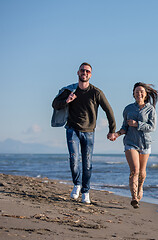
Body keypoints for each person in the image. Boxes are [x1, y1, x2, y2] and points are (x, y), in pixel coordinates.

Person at [52, 62, 117, 204]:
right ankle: (77, 185)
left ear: (91, 75)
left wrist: (112, 130)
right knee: (74, 159)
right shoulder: (70, 90)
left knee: (87, 163)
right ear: (78, 73)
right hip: (72, 129)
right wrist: (67, 100)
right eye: (82, 70)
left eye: (87, 71)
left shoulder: (96, 92)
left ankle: (86, 192)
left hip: (89, 132)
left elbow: (109, 111)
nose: (85, 73)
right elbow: (55, 103)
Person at [115, 82, 158, 208]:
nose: (139, 93)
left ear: (145, 95)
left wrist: (137, 124)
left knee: (142, 171)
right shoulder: (128, 109)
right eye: (137, 91)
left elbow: (152, 127)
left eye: (141, 92)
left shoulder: (150, 109)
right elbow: (124, 127)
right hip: (130, 142)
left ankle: (140, 188)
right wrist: (117, 134)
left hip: (145, 143)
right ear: (133, 94)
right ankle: (134, 197)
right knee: (134, 170)